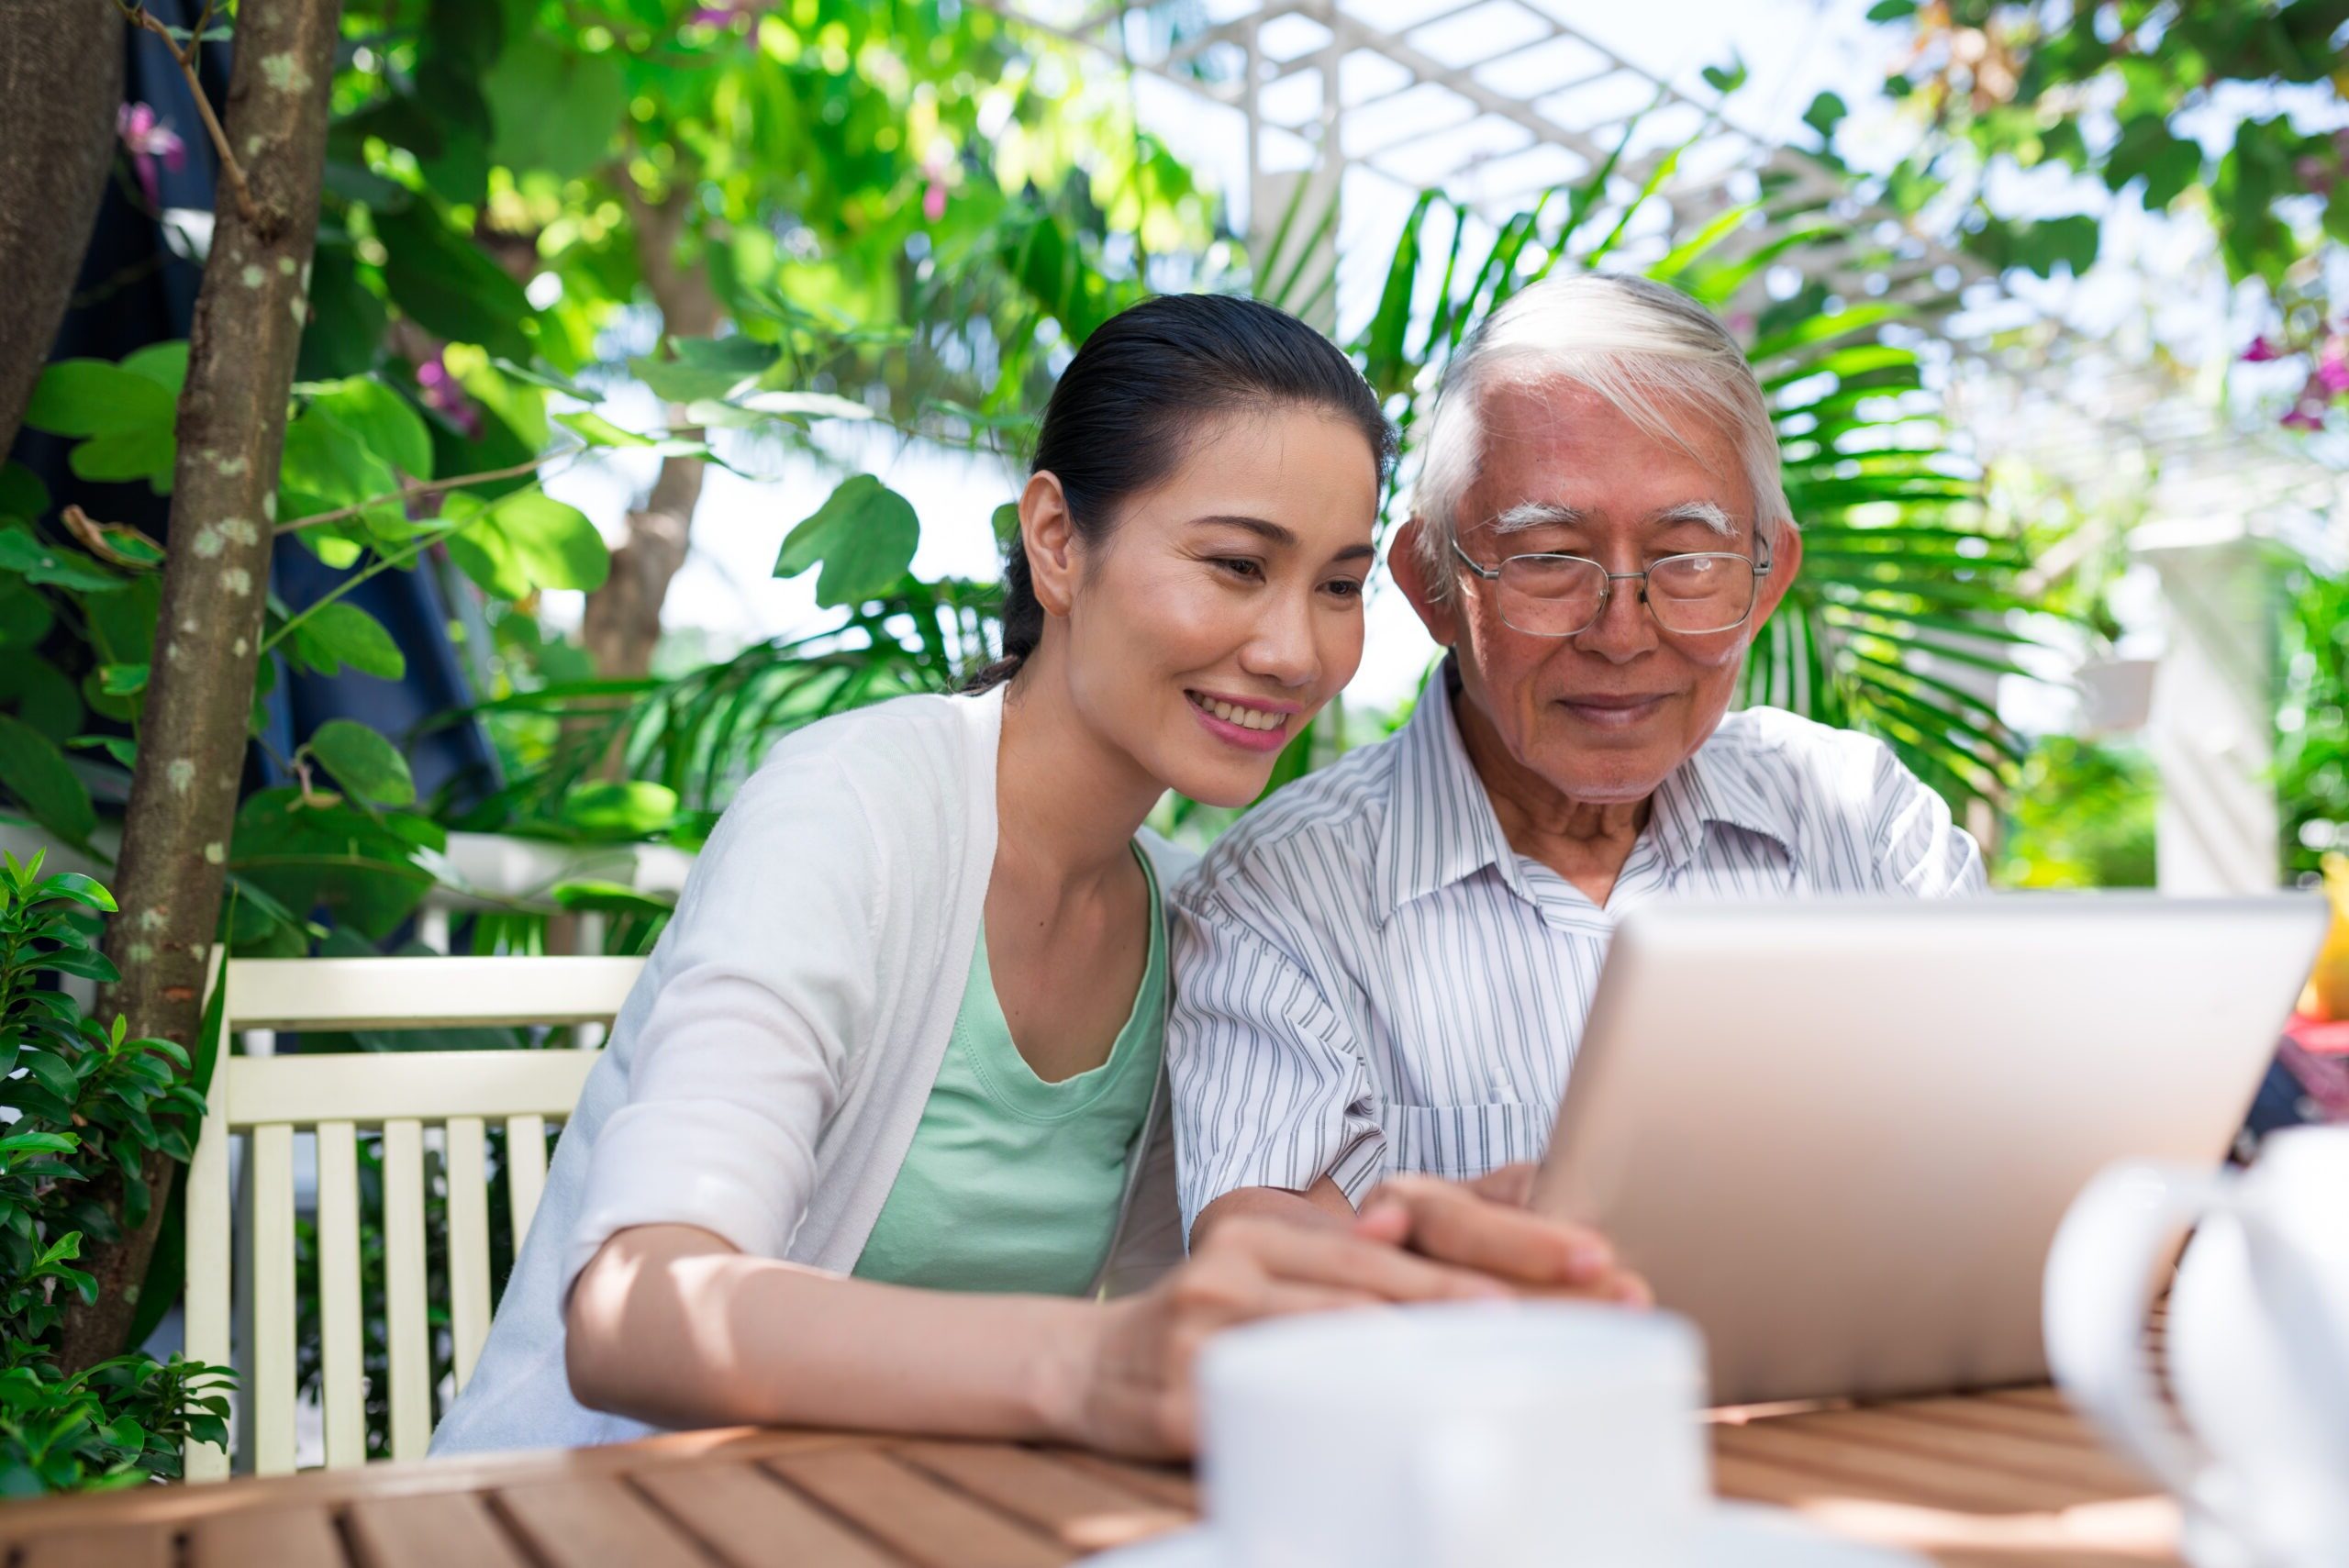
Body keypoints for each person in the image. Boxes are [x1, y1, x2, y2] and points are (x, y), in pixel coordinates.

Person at [432, 294, 1638, 1464]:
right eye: (1233, 565)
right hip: (585, 1523)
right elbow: (638, 1310)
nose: (1294, 650)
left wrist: (1425, 1258)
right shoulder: (853, 811)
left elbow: (1211, 1322)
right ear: (1058, 542)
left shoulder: (1182, 915)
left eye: (1335, 584)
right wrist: (1086, 1362)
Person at [1171, 273, 1987, 1246]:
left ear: (1767, 582)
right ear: (1431, 586)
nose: (1620, 631)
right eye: (1549, 558)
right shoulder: (1284, 898)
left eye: (1688, 559)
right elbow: (1265, 1277)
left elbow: (2026, 1149)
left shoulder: (1865, 824)